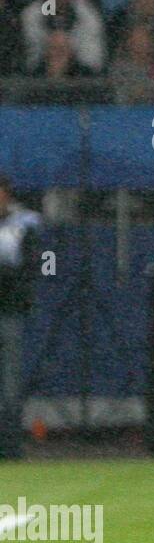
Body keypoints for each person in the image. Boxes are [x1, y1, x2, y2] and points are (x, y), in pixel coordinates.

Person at [0, 175, 40, 459]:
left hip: (9, 311)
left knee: (10, 383)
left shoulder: (24, 224)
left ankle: (10, 445)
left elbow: (33, 265)